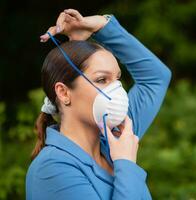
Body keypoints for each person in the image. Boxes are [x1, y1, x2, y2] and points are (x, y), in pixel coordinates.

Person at [25, 8, 171, 200]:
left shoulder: (114, 140)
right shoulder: (52, 169)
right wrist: (125, 163)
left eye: (117, 79)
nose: (117, 91)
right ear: (63, 92)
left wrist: (101, 26)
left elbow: (156, 77)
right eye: (102, 80)